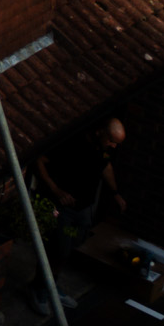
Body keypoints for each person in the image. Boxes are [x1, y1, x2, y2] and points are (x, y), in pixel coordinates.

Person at [29, 117, 127, 314]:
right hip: (62, 209)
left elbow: (105, 167)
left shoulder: (104, 149)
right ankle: (39, 288)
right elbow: (39, 160)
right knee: (58, 249)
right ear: (100, 132)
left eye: (117, 143)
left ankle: (51, 284)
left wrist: (115, 193)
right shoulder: (73, 143)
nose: (113, 146)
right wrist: (56, 190)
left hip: (83, 210)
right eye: (111, 140)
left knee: (69, 248)